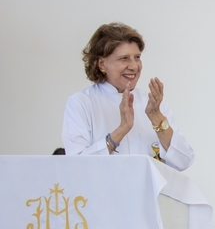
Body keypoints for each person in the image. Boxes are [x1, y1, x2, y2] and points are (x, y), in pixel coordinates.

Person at [62, 23, 194, 170]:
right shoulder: (81, 103)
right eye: (124, 58)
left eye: (137, 57)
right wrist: (122, 129)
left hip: (150, 193)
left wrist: (156, 116)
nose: (134, 66)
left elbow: (184, 162)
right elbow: (76, 166)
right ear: (102, 64)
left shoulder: (153, 103)